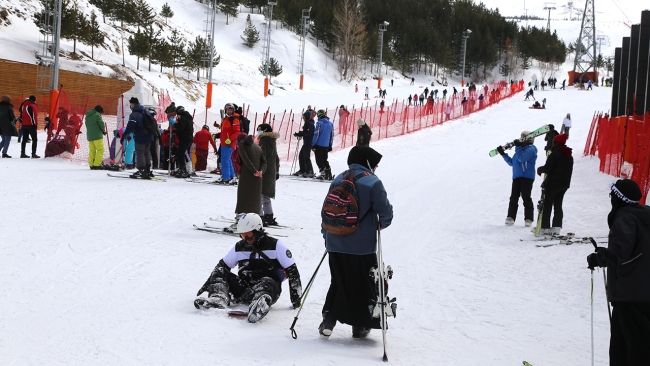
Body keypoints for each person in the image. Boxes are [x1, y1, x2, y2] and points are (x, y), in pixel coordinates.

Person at [319, 146, 394, 339]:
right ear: (368, 162)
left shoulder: (338, 178)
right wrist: (381, 225)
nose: (376, 168)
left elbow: (328, 209)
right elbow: (385, 212)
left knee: (339, 280)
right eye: (375, 164)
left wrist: (326, 234)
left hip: (335, 242)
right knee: (363, 283)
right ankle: (361, 325)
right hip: (362, 246)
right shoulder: (372, 182)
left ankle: (329, 318)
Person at [194, 213, 303, 323]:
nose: (246, 239)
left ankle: (259, 305)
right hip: (245, 289)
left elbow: (292, 271)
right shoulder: (239, 247)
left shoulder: (276, 246)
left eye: (248, 235)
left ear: (258, 230)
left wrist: (296, 300)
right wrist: (212, 281)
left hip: (268, 288)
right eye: (242, 235)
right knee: (221, 271)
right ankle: (218, 298)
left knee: (266, 281)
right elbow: (222, 266)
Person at [586, 179, 650, 366]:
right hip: (640, 293)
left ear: (619, 198)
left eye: (612, 196)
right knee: (629, 346)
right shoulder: (643, 215)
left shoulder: (625, 218)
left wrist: (598, 258)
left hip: (631, 294)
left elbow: (620, 252)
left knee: (632, 348)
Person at [496, 131, 538, 227]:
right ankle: (510, 217)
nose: (521, 138)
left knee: (526, 197)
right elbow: (513, 163)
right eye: (521, 137)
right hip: (517, 176)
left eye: (523, 137)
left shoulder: (531, 149)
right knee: (514, 197)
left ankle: (528, 218)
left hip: (527, 177)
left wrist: (518, 147)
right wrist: (503, 154)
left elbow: (521, 159)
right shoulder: (520, 149)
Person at [228, 132, 267, 232]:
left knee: (243, 199)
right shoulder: (258, 147)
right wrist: (261, 171)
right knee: (254, 201)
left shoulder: (242, 144)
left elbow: (245, 159)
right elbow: (264, 162)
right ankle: (253, 223)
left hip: (247, 176)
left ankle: (239, 223)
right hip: (258, 178)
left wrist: (254, 171)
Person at [536, 134, 573, 235]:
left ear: (555, 143)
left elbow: (548, 168)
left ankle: (545, 228)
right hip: (564, 184)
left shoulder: (555, 154)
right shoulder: (569, 155)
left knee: (547, 205)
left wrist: (540, 169)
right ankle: (557, 227)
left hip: (553, 184)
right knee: (558, 205)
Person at [123, 97, 155, 179]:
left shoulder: (134, 114)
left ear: (133, 104)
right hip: (149, 135)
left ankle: (142, 170)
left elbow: (130, 126)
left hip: (141, 136)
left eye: (131, 104)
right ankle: (147, 169)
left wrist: (124, 135)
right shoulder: (145, 111)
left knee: (140, 152)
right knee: (146, 152)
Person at [257, 123, 280, 226]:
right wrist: (276, 170)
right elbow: (276, 157)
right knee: (266, 195)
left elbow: (262, 156)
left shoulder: (263, 140)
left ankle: (260, 217)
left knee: (260, 194)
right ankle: (268, 216)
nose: (258, 131)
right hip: (271, 171)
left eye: (260, 129)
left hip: (264, 171)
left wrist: (259, 169)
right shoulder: (272, 140)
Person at [218, 103, 241, 183]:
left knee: (224, 160)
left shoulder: (234, 119)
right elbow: (225, 132)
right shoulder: (226, 119)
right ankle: (231, 176)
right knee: (228, 160)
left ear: (233, 110)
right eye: (228, 109)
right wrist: (217, 135)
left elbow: (237, 132)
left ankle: (226, 177)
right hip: (225, 142)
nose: (229, 111)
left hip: (229, 143)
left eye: (230, 109)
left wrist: (230, 140)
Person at [312, 109, 334, 180]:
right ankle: (328, 173)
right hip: (326, 145)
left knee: (319, 160)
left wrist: (313, 144)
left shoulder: (319, 123)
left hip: (319, 145)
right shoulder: (330, 124)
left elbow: (316, 135)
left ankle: (323, 173)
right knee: (325, 159)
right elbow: (331, 135)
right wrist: (330, 144)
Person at [293, 110, 315, 178]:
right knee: (301, 156)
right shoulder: (308, 123)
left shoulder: (310, 124)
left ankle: (310, 171)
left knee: (306, 157)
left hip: (308, 143)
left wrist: (302, 133)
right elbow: (306, 132)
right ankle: (303, 170)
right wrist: (300, 133)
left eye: (304, 117)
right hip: (306, 143)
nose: (303, 118)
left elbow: (309, 133)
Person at [85, 105, 106, 170]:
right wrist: (103, 131)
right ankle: (97, 164)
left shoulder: (88, 115)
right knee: (100, 149)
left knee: (92, 150)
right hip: (97, 136)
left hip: (90, 136)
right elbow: (101, 124)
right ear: (99, 111)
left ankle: (91, 164)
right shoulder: (97, 115)